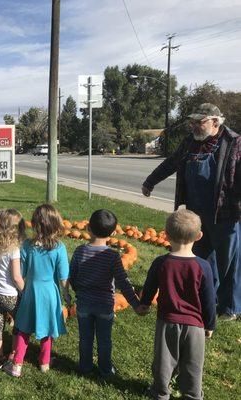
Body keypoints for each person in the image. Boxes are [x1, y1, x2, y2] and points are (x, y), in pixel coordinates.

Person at [142, 103, 240, 320]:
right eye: (192, 122)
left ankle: (230, 307)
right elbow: (171, 163)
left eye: (199, 122)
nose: (194, 126)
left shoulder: (233, 142)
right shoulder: (189, 143)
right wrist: (150, 181)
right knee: (203, 259)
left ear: (215, 122)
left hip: (225, 212)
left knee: (229, 262)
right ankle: (208, 298)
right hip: (196, 214)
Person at [139, 209, 216, 400]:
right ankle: (192, 394)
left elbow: (149, 287)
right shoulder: (203, 266)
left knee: (164, 362)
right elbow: (209, 300)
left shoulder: (161, 263)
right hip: (195, 326)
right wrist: (210, 324)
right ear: (199, 236)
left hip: (167, 323)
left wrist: (145, 304)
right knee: (193, 364)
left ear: (166, 235)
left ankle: (160, 393)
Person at [68, 209, 141, 377]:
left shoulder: (80, 251)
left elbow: (73, 276)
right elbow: (123, 282)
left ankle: (85, 367)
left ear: (88, 228)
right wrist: (135, 303)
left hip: (84, 304)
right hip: (105, 305)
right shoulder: (113, 257)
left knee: (85, 338)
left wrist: (78, 290)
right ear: (113, 233)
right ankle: (105, 369)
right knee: (104, 340)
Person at [3, 204, 71, 377]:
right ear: (55, 225)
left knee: (23, 327)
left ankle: (17, 363)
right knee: (47, 329)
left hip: (30, 291)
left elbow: (21, 273)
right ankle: (44, 363)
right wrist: (67, 295)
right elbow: (63, 278)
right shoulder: (59, 248)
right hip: (49, 293)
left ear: (34, 224)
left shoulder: (27, 245)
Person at [0, 209, 26, 363]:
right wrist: (25, 290)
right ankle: (14, 353)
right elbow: (16, 277)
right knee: (18, 324)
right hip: (10, 294)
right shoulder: (14, 248)